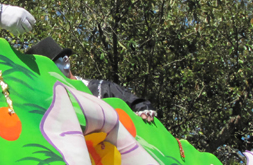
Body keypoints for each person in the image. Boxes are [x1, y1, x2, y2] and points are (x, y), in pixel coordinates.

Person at [27, 37, 157, 123]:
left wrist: (144, 112)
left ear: (65, 61)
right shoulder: (50, 108)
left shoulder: (103, 89)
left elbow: (138, 104)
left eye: (49, 68)